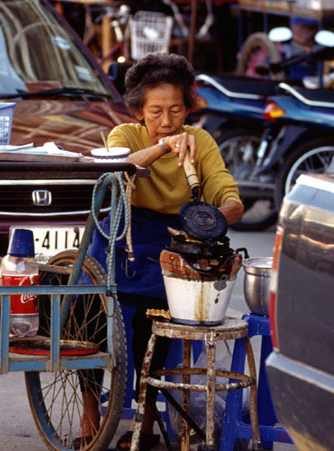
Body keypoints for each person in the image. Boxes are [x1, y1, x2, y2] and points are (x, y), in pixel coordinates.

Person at [81, 53, 243, 450]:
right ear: (139, 111)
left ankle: (146, 415)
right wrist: (163, 148)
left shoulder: (201, 141)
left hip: (171, 241)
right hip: (120, 235)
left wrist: (211, 220)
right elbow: (119, 165)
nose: (166, 120)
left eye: (175, 110)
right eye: (156, 111)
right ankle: (89, 415)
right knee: (87, 315)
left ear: (188, 108)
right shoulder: (126, 134)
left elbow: (231, 199)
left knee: (153, 323)